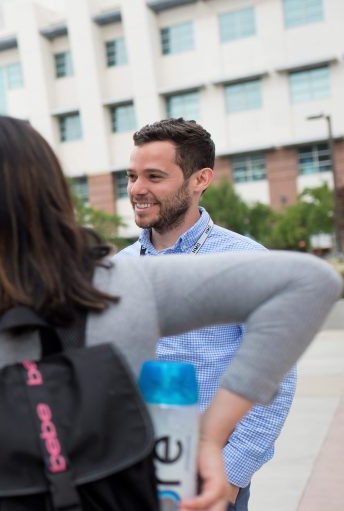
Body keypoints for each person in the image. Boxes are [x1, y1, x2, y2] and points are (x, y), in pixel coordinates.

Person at [0, 115, 341, 511]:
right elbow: (311, 283)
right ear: (50, 196)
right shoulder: (121, 289)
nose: (137, 188)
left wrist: (226, 456)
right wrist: (211, 437)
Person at [116, 118, 292, 510]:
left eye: (154, 176)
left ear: (200, 180)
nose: (137, 190)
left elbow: (273, 384)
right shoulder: (120, 267)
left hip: (207, 474)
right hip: (130, 470)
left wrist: (230, 477)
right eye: (131, 176)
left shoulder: (247, 262)